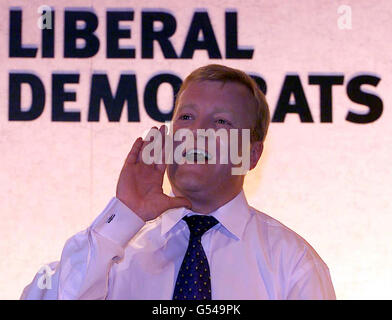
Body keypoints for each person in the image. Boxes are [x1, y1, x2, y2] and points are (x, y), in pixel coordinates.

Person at [21, 64, 336, 300]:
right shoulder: (114, 252)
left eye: (221, 122)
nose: (195, 132)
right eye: (186, 117)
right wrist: (123, 215)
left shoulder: (292, 262)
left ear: (251, 155)